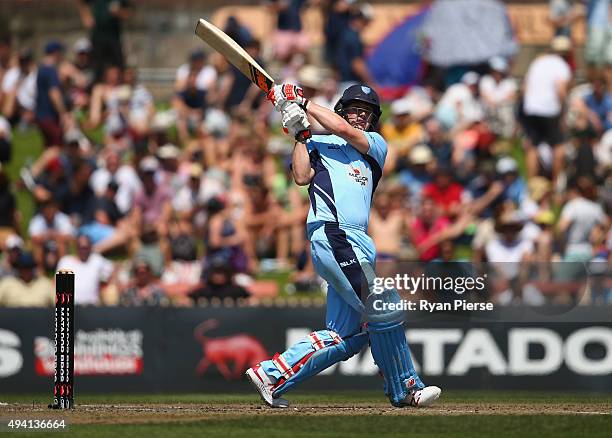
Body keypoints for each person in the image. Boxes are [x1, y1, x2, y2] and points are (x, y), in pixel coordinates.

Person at [245, 83, 441, 408]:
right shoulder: (318, 144)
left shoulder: (374, 146)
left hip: (358, 243)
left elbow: (343, 130)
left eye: (367, 113)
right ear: (341, 110)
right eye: (354, 110)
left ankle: (272, 375)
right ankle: (406, 386)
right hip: (334, 235)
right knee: (383, 302)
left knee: (347, 337)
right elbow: (300, 175)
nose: (360, 116)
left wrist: (302, 103)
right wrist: (300, 134)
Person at [521, 36, 572, 182]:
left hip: (531, 109)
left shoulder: (537, 62)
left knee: (533, 147)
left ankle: (532, 184)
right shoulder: (562, 66)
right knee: (559, 147)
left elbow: (525, 87)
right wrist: (564, 112)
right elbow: (560, 90)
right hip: (550, 110)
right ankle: (555, 185)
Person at [56, 234, 114, 305]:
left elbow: (113, 269)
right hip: (70, 306)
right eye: (80, 247)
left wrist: (105, 284)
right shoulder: (65, 262)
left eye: (86, 247)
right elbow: (56, 284)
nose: (83, 250)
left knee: (112, 291)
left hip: (92, 306)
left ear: (90, 247)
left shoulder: (97, 260)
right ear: (76, 247)